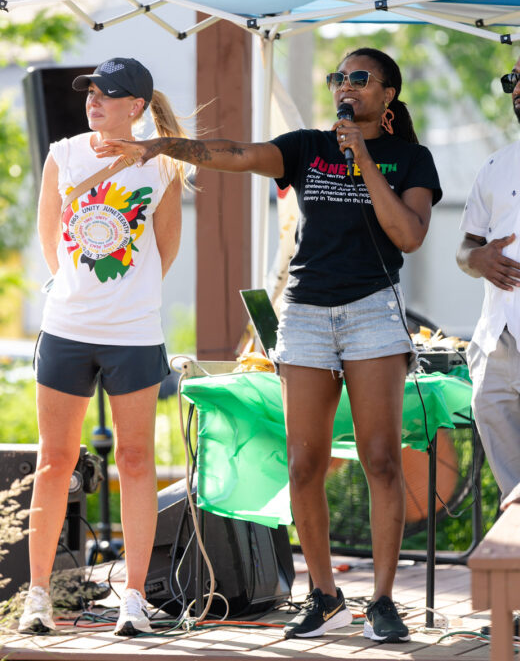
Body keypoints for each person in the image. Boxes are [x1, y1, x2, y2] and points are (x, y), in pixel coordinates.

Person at [96, 48, 442, 644]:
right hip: (305, 313)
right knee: (305, 463)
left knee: (381, 459)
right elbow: (234, 153)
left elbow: (408, 235)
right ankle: (325, 595)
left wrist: (363, 162)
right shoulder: (306, 146)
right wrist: (162, 146)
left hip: (372, 315)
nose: (345, 86)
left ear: (388, 94)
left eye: (359, 78)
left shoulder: (410, 158)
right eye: (338, 77)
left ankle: (383, 601)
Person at [18, 58, 188, 636]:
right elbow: (48, 238)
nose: (93, 100)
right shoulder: (63, 153)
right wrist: (79, 292)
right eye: (90, 91)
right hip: (66, 326)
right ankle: (37, 595)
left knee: (136, 461)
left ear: (137, 105)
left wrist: (125, 299)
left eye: (107, 94)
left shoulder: (163, 162)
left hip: (134, 333)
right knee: (54, 461)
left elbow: (166, 253)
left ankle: (134, 599)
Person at [457, 46, 520, 510]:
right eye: (513, 79)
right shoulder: (495, 165)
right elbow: (464, 250)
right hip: (495, 345)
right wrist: (477, 260)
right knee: (516, 499)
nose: (519, 88)